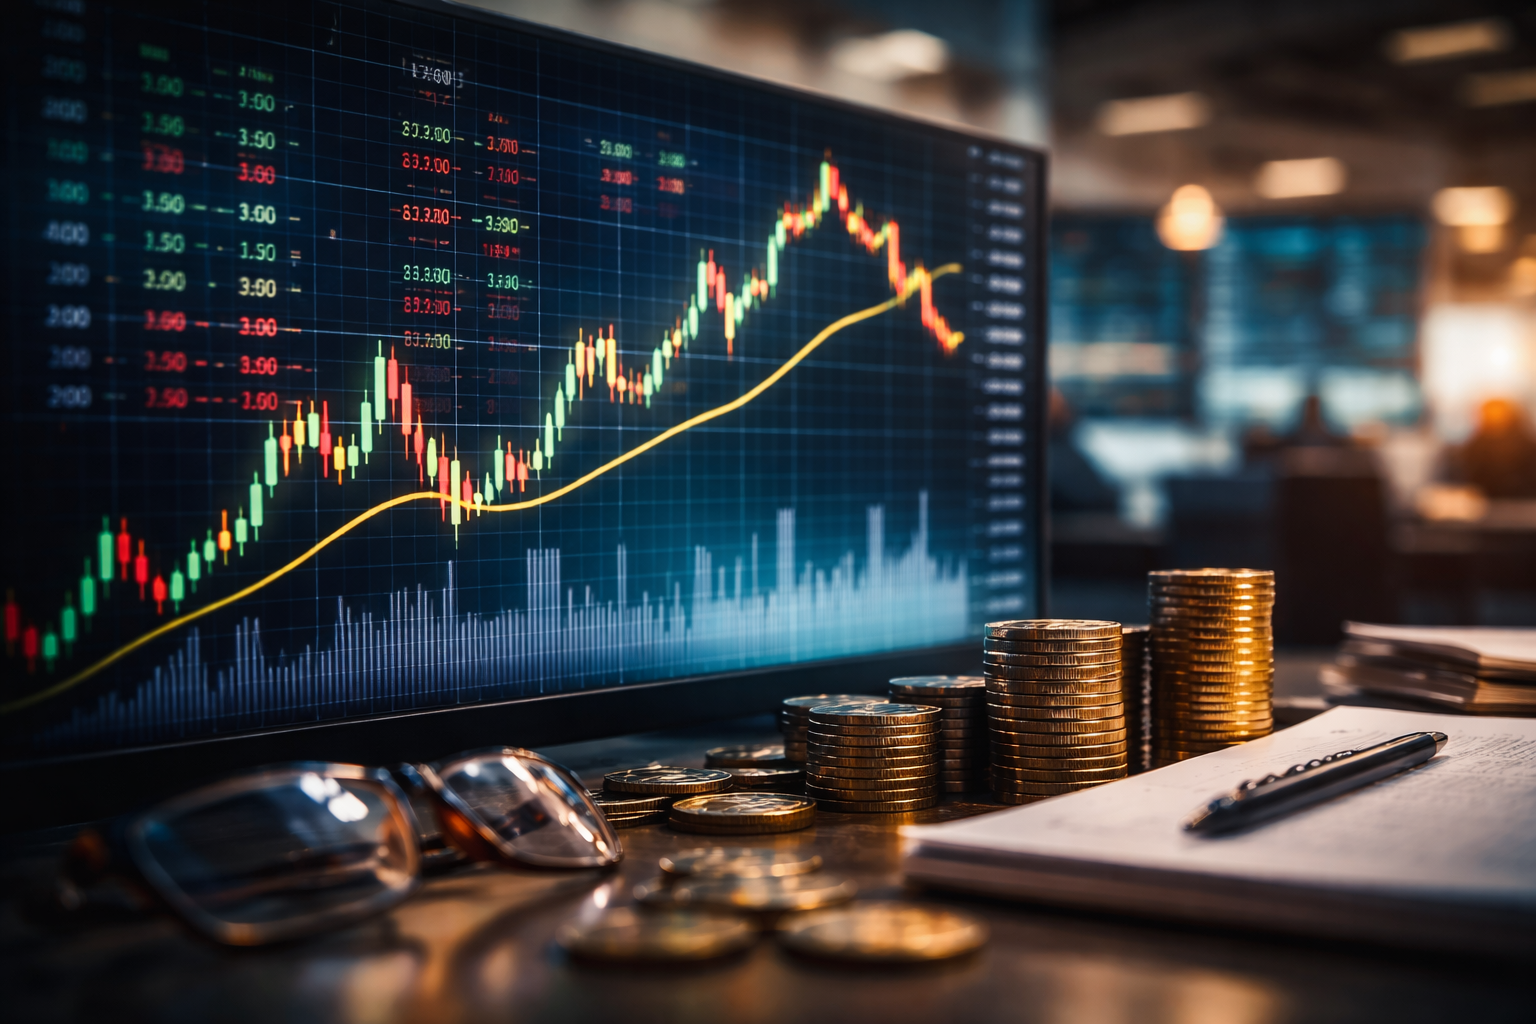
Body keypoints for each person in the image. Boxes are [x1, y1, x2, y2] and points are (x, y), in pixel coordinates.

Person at [1447, 398, 1536, 499]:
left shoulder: (1529, 447)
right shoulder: (1473, 448)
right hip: (1484, 502)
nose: (1496, 419)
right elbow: (1464, 479)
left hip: (1524, 502)